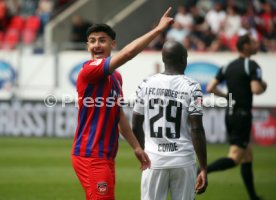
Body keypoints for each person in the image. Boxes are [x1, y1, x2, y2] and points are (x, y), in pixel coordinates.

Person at [71, 7, 174, 200]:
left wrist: (136, 146)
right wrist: (158, 30)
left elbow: (118, 114)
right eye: (92, 41)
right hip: (91, 155)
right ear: (87, 46)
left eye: (102, 40)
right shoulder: (89, 71)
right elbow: (127, 54)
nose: (97, 45)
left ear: (112, 44)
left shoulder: (116, 77)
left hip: (105, 156)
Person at [132, 40, 208, 200]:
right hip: (183, 161)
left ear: (164, 59)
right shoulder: (193, 87)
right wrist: (204, 168)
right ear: (183, 59)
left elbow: (136, 124)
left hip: (153, 161)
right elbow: (196, 129)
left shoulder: (146, 84)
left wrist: (143, 153)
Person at [206, 34, 267, 200]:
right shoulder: (251, 65)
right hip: (242, 115)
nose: (257, 44)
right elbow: (255, 89)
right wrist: (264, 86)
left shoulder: (227, 66)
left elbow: (210, 87)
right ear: (246, 46)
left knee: (247, 155)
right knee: (235, 157)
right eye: (253, 42)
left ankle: (253, 197)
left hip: (230, 113)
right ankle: (202, 170)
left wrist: (227, 97)